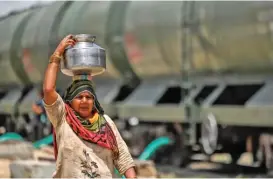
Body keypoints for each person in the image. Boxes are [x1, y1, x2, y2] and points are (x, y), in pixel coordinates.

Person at [42, 34, 137, 178]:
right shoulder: (63, 118)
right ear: (70, 100)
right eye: (79, 97)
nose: (85, 101)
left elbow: (123, 158)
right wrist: (58, 53)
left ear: (94, 101)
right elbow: (49, 90)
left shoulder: (106, 123)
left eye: (89, 97)